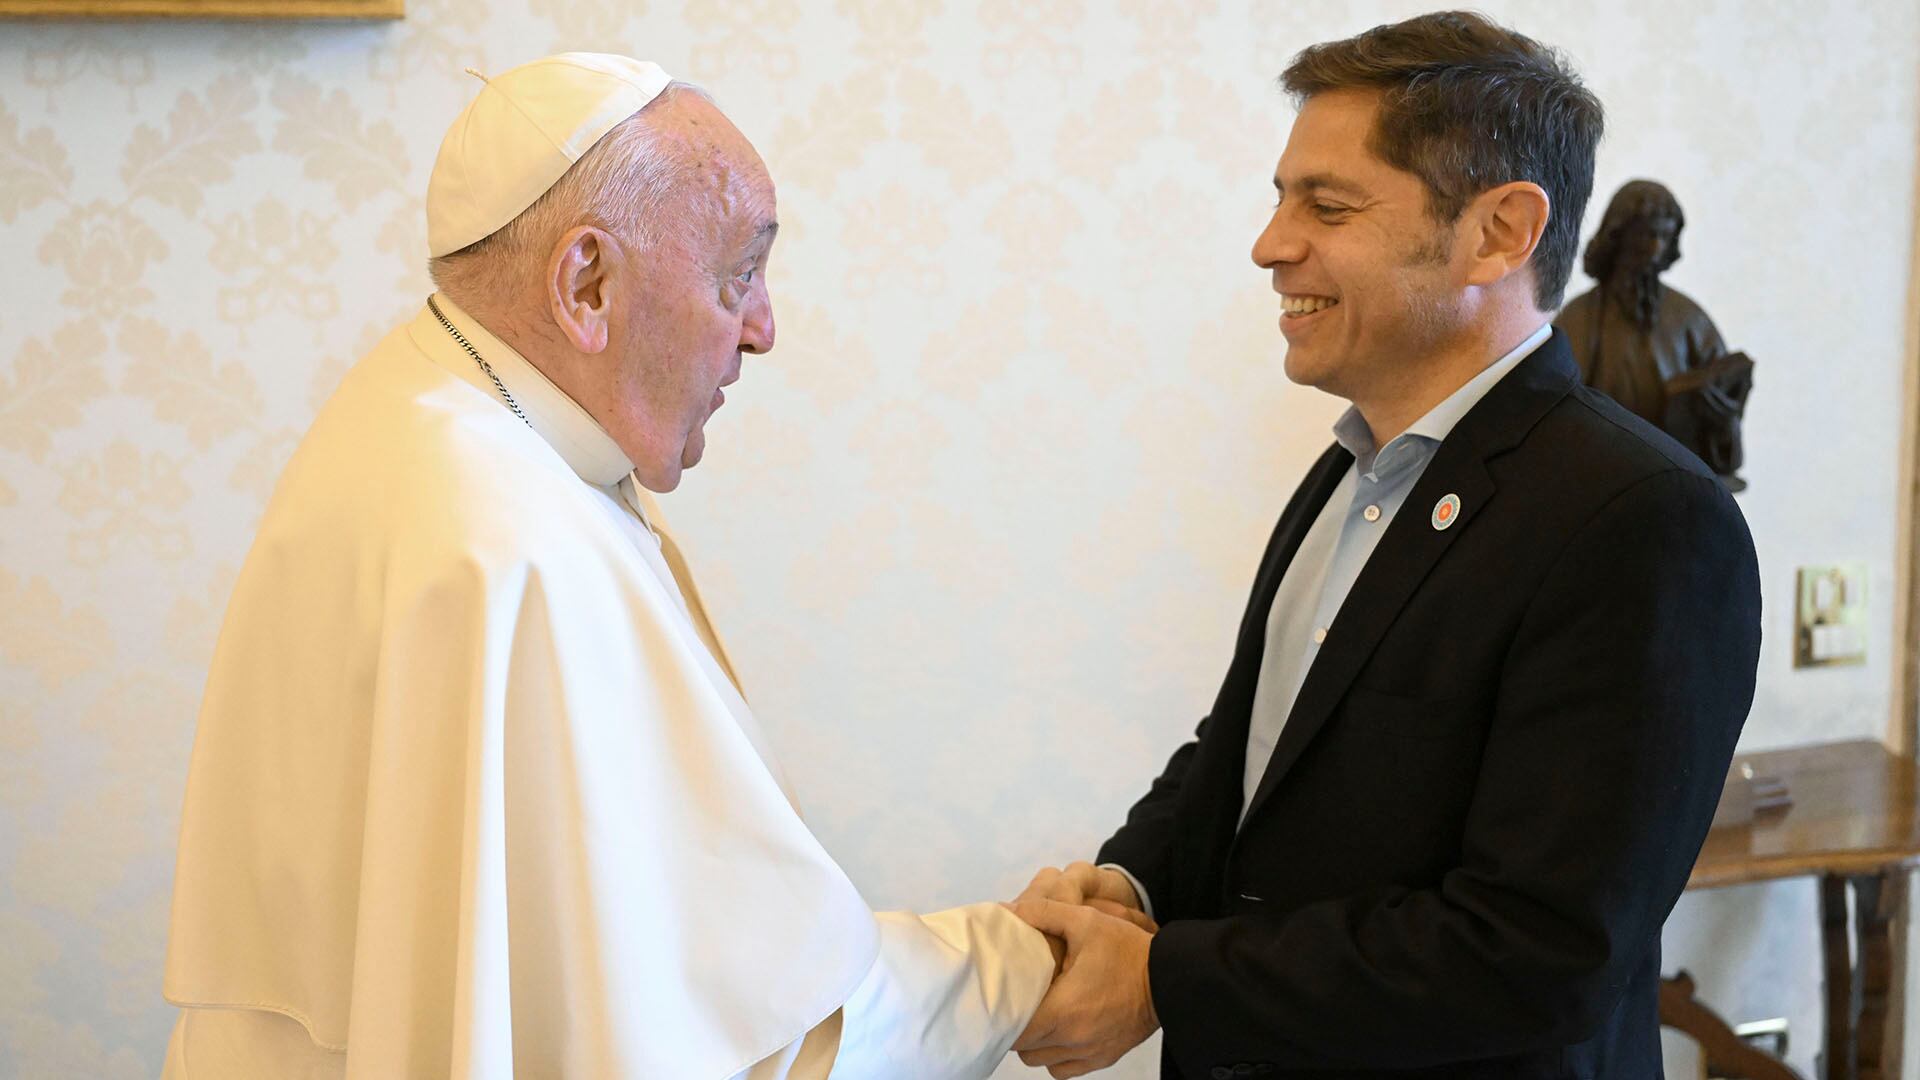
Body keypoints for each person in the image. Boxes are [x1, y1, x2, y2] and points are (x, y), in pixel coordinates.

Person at [161, 53, 1053, 1079]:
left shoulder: (410, 412)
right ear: (587, 281)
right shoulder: (513, 546)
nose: (762, 330)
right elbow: (747, 1049)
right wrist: (1019, 963)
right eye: (739, 276)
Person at [1009, 13, 1762, 1079]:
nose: (1271, 244)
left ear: (1499, 232)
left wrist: (1164, 980)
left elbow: (1539, 953)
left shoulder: (1645, 520)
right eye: (1279, 198)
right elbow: (1258, 752)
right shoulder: (1350, 471)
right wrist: (1129, 886)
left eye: (1326, 204)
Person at [1556, 179, 1752, 489]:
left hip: (1680, 482)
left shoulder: (1690, 320)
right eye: (1647, 235)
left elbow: (1725, 418)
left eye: (1664, 236)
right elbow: (1556, 406)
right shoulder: (1579, 317)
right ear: (1618, 235)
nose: (1655, 248)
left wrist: (1718, 407)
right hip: (1600, 482)